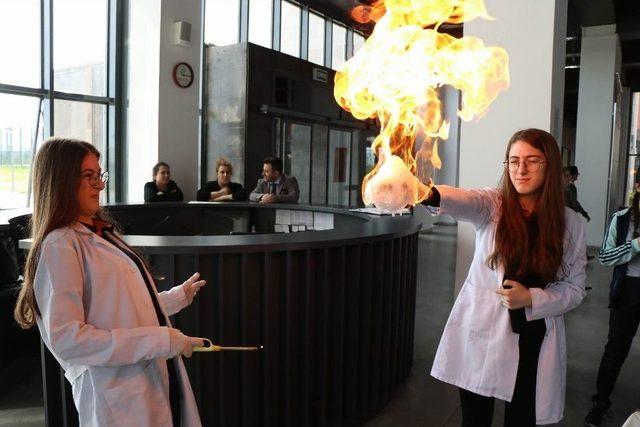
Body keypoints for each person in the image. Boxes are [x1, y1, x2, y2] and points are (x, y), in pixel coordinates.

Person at [13, 138, 206, 426]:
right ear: (61, 180)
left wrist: (173, 298)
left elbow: (119, 307)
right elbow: (68, 340)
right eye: (88, 176)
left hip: (143, 380)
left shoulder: (97, 232)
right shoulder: (60, 244)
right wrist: (161, 340)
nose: (100, 185)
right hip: (114, 393)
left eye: (99, 175)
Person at [423, 128, 587, 426]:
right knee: (475, 418)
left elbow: (575, 289)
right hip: (484, 332)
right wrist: (427, 193)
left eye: (532, 160)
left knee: (522, 418)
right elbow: (463, 200)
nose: (520, 169)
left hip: (533, 337)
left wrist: (531, 298)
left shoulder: (570, 223)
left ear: (549, 164)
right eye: (513, 161)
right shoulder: (493, 205)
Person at [585, 170, 640, 426]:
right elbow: (605, 257)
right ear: (637, 186)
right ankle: (600, 402)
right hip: (628, 291)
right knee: (616, 349)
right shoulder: (622, 219)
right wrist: (636, 245)